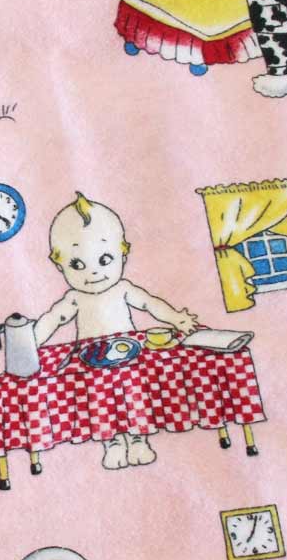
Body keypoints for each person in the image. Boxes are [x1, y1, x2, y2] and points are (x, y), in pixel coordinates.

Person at [34, 192, 199, 469]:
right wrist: (32, 341)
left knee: (134, 397)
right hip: (91, 363)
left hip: (129, 358)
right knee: (102, 404)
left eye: (105, 259)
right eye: (77, 264)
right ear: (59, 264)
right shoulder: (75, 298)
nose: (93, 272)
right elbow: (53, 318)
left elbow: (149, 303)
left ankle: (138, 439)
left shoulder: (123, 289)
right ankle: (112, 443)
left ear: (123, 252)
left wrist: (176, 319)